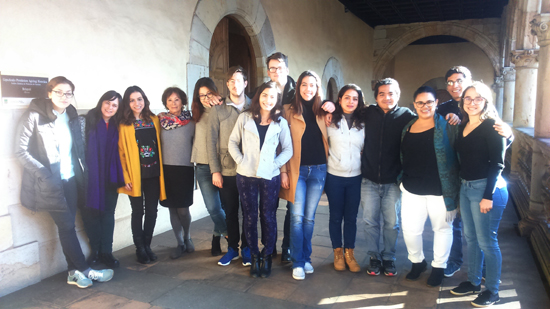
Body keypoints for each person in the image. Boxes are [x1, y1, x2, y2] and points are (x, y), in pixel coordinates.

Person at [15, 76, 113, 288]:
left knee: (66, 227)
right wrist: (45, 174)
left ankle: (73, 273)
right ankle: (86, 271)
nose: (64, 96)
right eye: (59, 91)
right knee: (67, 226)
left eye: (68, 93)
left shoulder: (70, 114)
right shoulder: (34, 116)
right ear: (49, 93)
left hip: (70, 180)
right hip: (50, 183)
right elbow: (20, 151)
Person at [450, 82, 508, 307]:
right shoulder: (464, 124)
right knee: (471, 239)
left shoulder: (493, 125)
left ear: (486, 101)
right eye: (468, 98)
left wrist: (488, 195)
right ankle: (473, 282)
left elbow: (498, 164)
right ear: (462, 101)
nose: (472, 103)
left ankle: (492, 290)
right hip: (466, 188)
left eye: (478, 98)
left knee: (487, 242)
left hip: (487, 189)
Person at [228, 81, 293, 278]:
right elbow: (232, 142)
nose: (268, 100)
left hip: (269, 176)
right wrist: (241, 160)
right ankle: (254, 255)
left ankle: (266, 256)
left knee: (268, 216)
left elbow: (288, 149)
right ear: (258, 97)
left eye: (272, 97)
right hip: (246, 175)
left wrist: (274, 165)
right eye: (265, 95)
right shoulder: (245, 118)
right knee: (249, 216)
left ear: (277, 100)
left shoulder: (280, 122)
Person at [399, 86, 460, 287]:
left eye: (429, 102)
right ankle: (417, 262)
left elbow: (461, 152)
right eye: (420, 102)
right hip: (411, 188)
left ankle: (439, 267)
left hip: (440, 190)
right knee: (410, 230)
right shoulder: (408, 126)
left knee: (442, 228)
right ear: (414, 104)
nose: (425, 106)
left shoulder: (449, 125)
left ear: (436, 104)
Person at [360, 78, 416, 277]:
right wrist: (328, 105)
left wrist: (452, 115)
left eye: (391, 93)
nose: (387, 97)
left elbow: (431, 120)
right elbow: (345, 110)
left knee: (391, 223)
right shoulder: (367, 113)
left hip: (393, 181)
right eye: (382, 94)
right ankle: (374, 257)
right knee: (370, 221)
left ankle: (389, 257)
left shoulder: (408, 116)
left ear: (398, 94)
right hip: (368, 179)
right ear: (376, 97)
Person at [280, 70, 329, 280]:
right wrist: (283, 171)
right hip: (296, 171)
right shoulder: (287, 110)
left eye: (312, 85)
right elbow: (279, 143)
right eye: (304, 85)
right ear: (298, 87)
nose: (308, 89)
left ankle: (307, 258)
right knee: (297, 218)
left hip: (318, 170)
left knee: (309, 219)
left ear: (318, 88)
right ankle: (297, 262)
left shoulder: (324, 111)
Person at [208, 66, 251, 266]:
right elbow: (211, 142)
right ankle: (233, 248)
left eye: (239, 80)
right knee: (231, 211)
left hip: (250, 170)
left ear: (245, 83)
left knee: (249, 212)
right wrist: (215, 170)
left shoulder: (255, 107)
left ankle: (248, 248)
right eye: (231, 81)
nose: (235, 84)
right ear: (227, 84)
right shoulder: (218, 110)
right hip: (227, 170)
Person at [118, 86, 167, 264]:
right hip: (135, 177)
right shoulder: (124, 125)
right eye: (132, 100)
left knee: (152, 211)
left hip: (153, 173)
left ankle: (147, 245)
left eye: (139, 99)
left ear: (144, 100)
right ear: (127, 103)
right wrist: (125, 177)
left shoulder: (154, 120)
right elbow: (121, 153)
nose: (136, 103)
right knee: (138, 211)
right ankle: (139, 248)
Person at [81, 90, 125, 269]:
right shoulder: (87, 121)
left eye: (115, 105)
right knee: (91, 214)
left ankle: (107, 252)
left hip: (111, 176)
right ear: (101, 102)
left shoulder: (119, 125)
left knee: (108, 215)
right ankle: (96, 252)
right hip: (90, 177)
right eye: (108, 102)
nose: (110, 107)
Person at [325, 84, 365, 273]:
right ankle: (337, 252)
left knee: (351, 218)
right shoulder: (330, 121)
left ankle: (350, 253)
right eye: (347, 97)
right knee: (335, 216)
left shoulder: (363, 123)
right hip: (334, 176)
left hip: (355, 177)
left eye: (355, 98)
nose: (351, 102)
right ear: (339, 100)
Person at [190, 78, 228, 256]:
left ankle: (215, 237)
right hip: (203, 167)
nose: (205, 98)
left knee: (223, 206)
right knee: (213, 208)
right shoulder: (195, 114)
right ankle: (229, 234)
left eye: (208, 94)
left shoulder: (223, 110)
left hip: (222, 166)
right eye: (201, 95)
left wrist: (221, 103)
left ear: (215, 92)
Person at [158, 87, 195, 259]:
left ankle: (187, 236)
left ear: (183, 101)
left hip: (185, 170)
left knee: (183, 209)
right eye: (170, 100)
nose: (173, 103)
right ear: (165, 102)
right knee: (172, 208)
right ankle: (179, 242)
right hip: (165, 170)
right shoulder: (160, 122)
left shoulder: (192, 122)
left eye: (177, 99)